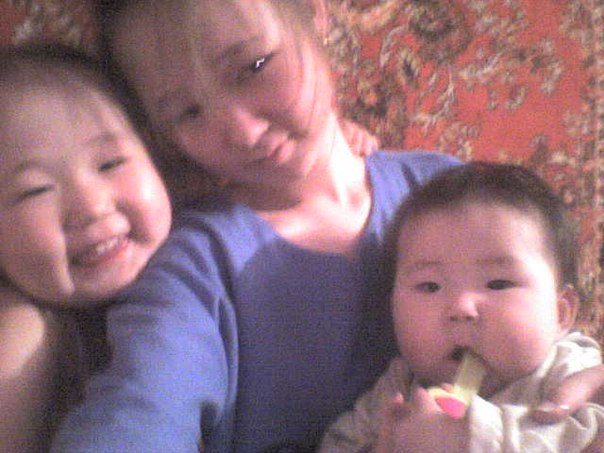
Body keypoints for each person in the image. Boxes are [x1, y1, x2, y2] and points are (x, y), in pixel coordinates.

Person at [50, 1, 604, 452]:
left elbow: (551, 323)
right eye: (188, 112)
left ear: (315, 15)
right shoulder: (195, 266)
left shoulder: (448, 191)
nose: (243, 131)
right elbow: (137, 411)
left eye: (254, 67)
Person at [319, 162, 604, 452]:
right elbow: (338, 444)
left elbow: (588, 432)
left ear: (561, 313)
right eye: (430, 286)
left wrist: (469, 437)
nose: (461, 308)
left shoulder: (568, 370)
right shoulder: (401, 385)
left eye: (498, 284)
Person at [0, 43, 172, 453]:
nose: (91, 206)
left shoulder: (211, 246)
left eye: (110, 163)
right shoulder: (26, 336)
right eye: (35, 190)